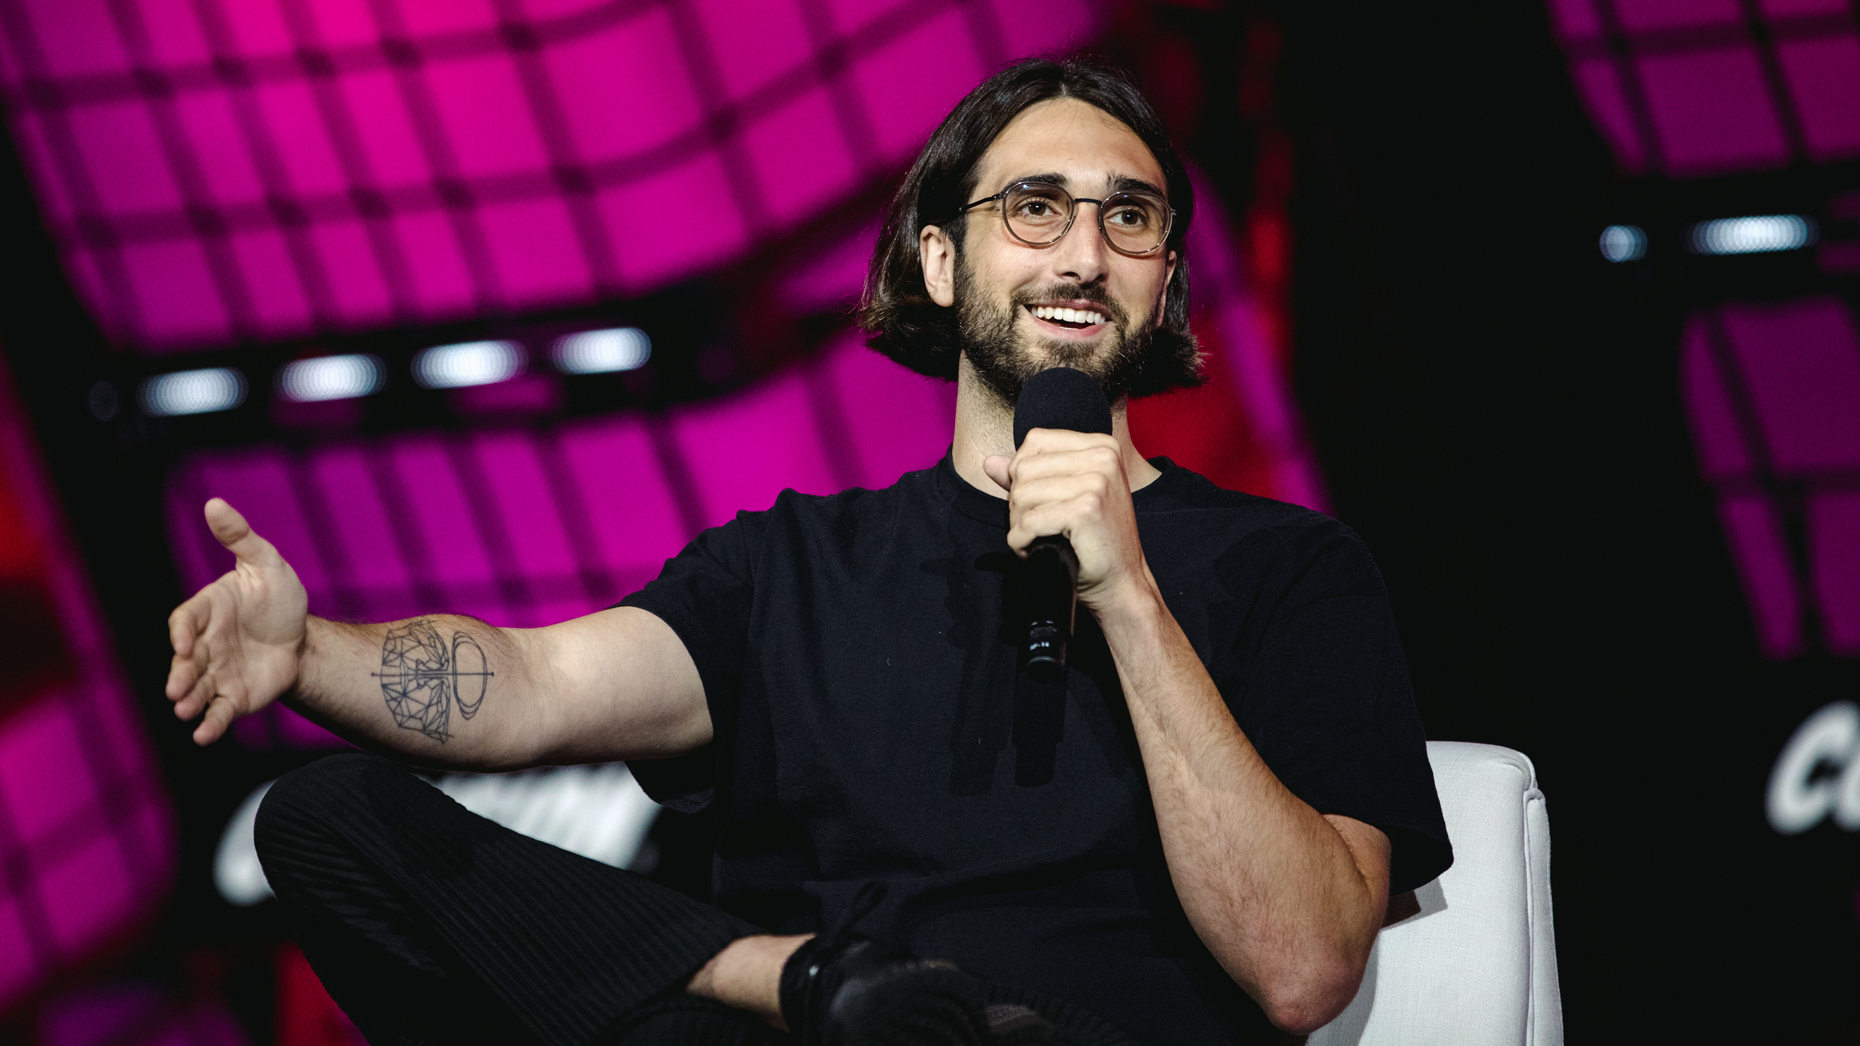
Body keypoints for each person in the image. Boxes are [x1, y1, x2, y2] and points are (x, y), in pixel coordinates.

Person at [166, 58, 1449, 1046]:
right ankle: (794, 973)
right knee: (325, 819)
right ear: (942, 261)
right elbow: (538, 688)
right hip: (822, 1024)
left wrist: (1127, 593)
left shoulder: (1291, 569)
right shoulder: (793, 566)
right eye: (1036, 208)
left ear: (1163, 281)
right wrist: (310, 653)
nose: (1081, 251)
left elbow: (1303, 969)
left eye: (1130, 220)